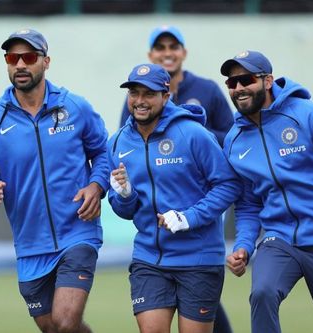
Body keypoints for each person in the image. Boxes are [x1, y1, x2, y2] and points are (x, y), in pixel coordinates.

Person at [0, 29, 109, 333]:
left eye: (29, 57)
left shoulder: (75, 107)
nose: (20, 64)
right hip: (29, 244)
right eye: (13, 58)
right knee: (55, 329)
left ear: (46, 62)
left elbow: (103, 152)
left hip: (77, 232)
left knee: (64, 322)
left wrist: (96, 185)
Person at [108, 63, 241, 333]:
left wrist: (187, 218)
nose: (140, 101)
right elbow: (124, 210)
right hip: (149, 258)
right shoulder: (118, 142)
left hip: (198, 259)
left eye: (149, 94)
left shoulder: (193, 134)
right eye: (134, 93)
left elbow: (228, 185)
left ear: (165, 97)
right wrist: (124, 196)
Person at [220, 50, 313, 333]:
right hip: (280, 238)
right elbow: (249, 204)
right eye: (231, 83)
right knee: (262, 292)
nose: (238, 88)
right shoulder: (234, 140)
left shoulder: (307, 116)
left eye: (246, 79)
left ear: (267, 81)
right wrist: (243, 246)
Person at [119, 25, 233, 146]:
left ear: (184, 53)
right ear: (150, 55)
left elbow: (231, 137)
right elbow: (125, 137)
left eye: (174, 47)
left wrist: (192, 132)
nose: (167, 53)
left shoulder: (208, 89)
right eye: (160, 48)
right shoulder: (138, 98)